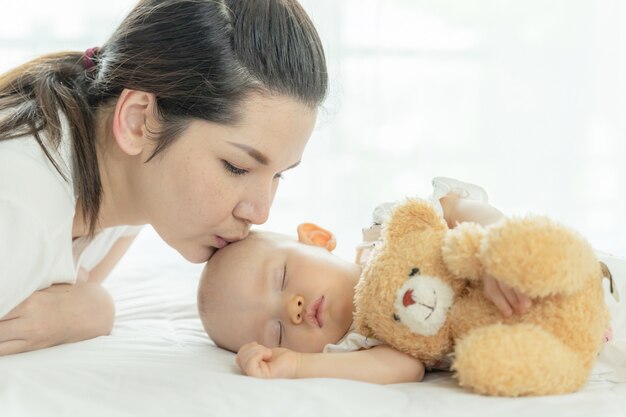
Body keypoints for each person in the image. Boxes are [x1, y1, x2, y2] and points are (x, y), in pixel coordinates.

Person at [0, 0, 327, 356]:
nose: (260, 212)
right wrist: (90, 308)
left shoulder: (124, 187)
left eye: (278, 174)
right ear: (139, 120)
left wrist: (93, 308)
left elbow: (84, 284)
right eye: (236, 167)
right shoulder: (19, 209)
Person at [197, 178, 535, 384]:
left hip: (533, 269)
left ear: (317, 237)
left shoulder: (386, 235)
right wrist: (298, 365)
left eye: (282, 277)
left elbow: (457, 205)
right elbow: (405, 368)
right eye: (277, 332)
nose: (292, 308)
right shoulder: (355, 347)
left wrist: (497, 245)